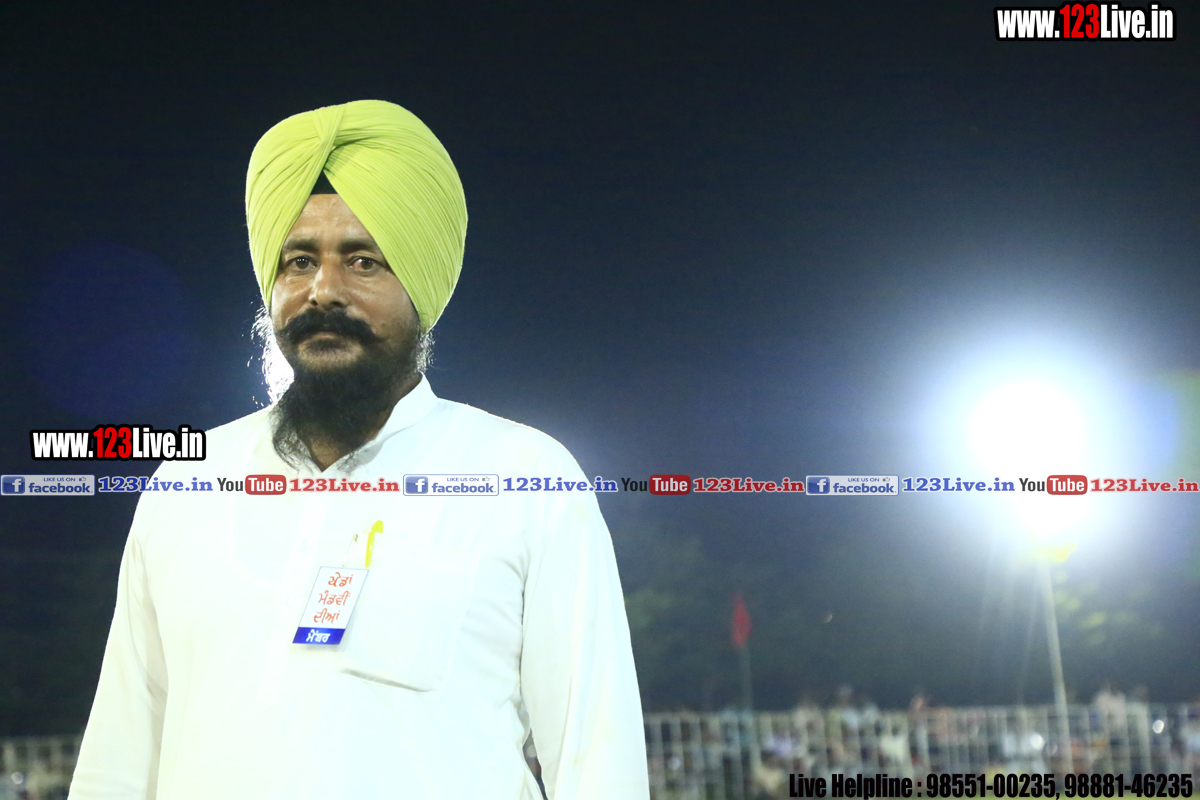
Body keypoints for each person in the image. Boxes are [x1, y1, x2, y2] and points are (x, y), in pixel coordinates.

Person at [69, 100, 649, 800]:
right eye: (299, 261)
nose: (324, 291)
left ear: (421, 289)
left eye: (364, 261)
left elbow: (596, 756)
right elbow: (121, 749)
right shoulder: (188, 482)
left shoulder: (524, 475)